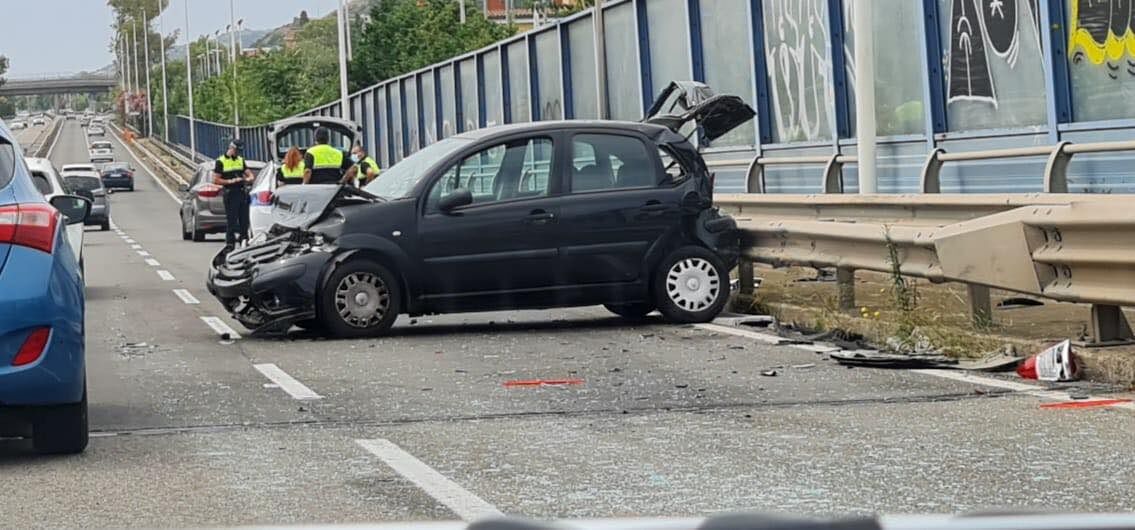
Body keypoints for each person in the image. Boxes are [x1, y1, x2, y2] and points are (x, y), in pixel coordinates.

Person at [213, 140, 255, 250]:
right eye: (236, 151)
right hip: (230, 193)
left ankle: (244, 243)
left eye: (239, 151)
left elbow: (250, 175)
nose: (238, 153)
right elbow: (216, 180)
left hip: (242, 192)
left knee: (244, 221)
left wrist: (247, 179)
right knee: (231, 221)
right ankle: (230, 245)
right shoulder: (220, 161)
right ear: (231, 148)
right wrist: (231, 181)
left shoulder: (241, 160)